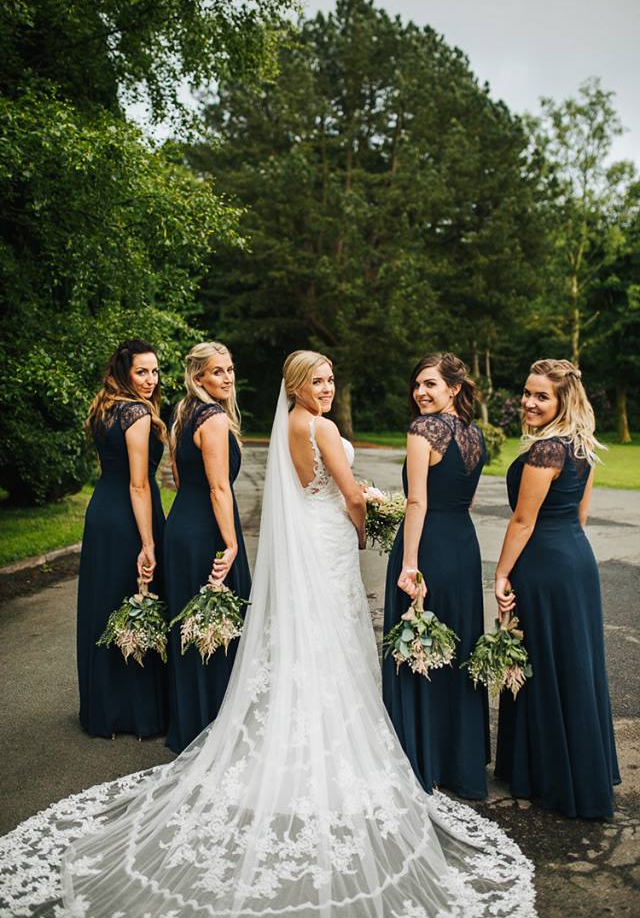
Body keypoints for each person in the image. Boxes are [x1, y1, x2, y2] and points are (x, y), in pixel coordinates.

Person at [0, 352, 535, 918]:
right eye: (318, 381)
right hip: (329, 538)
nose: (328, 389)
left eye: (332, 380)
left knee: (306, 634)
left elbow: (305, 485)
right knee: (333, 633)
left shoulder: (292, 425)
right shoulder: (320, 427)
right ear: (297, 387)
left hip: (310, 534)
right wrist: (366, 522)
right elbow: (350, 495)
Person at [494, 358, 620, 818]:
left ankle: (549, 773)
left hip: (544, 564)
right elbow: (580, 516)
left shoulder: (546, 450)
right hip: (575, 561)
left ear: (563, 401)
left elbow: (523, 521)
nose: (529, 401)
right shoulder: (581, 446)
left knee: (544, 661)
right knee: (572, 663)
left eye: (541, 396)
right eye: (527, 392)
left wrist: (501, 573)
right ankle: (577, 769)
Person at [383, 353, 490, 799]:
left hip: (427, 547)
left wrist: (409, 564)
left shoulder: (423, 430)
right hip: (463, 548)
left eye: (430, 384)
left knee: (418, 649)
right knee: (456, 648)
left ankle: (418, 758)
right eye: (417, 384)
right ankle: (459, 765)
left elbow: (417, 502)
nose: (421, 392)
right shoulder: (474, 434)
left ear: (454, 387)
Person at [77, 339, 167, 740]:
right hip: (130, 517)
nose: (151, 379)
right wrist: (148, 542)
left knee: (105, 604)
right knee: (134, 601)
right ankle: (135, 712)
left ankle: (103, 710)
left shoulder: (105, 407)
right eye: (141, 372)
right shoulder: (136, 412)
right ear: (124, 373)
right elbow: (139, 484)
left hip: (101, 512)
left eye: (155, 371)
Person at [164, 341, 251, 753]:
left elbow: (180, 479)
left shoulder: (183, 412)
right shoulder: (213, 418)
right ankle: (216, 727)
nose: (228, 377)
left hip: (181, 524)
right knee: (215, 626)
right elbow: (219, 488)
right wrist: (230, 543)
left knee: (191, 626)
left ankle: (192, 723)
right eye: (218, 371)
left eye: (230, 369)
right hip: (208, 531)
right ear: (198, 377)